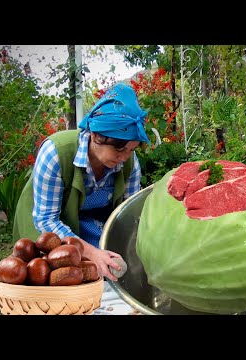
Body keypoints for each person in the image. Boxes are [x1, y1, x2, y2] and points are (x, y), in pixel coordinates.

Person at [13, 83, 149, 281]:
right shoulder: (55, 153)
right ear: (95, 135)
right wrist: (92, 253)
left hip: (88, 222)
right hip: (48, 226)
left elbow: (126, 216)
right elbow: (46, 220)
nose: (124, 158)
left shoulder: (129, 163)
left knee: (103, 272)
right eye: (119, 150)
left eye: (131, 150)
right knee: (49, 275)